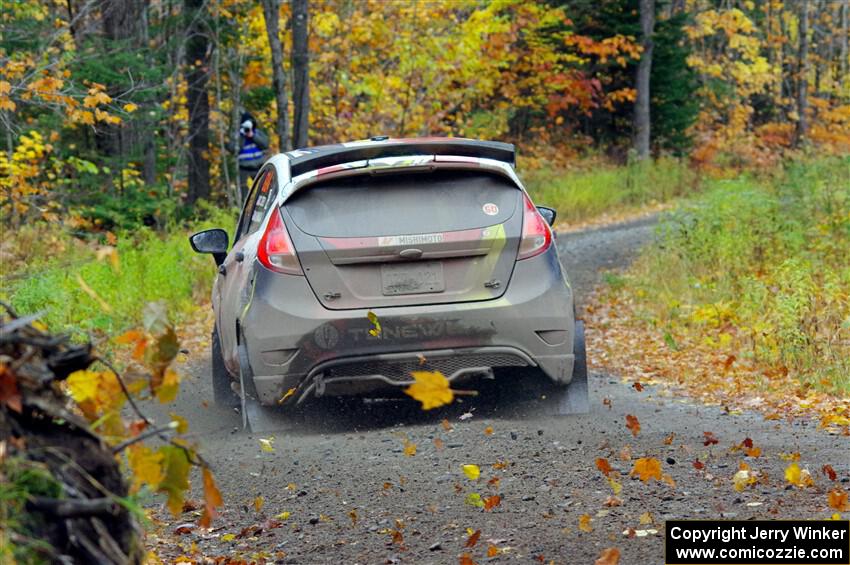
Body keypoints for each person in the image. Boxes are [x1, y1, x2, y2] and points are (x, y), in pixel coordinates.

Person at [236, 112, 269, 202]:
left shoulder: (257, 133)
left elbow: (265, 144)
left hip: (259, 168)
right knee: (245, 195)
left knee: (263, 190)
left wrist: (253, 136)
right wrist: (243, 136)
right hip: (244, 169)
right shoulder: (238, 136)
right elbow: (234, 149)